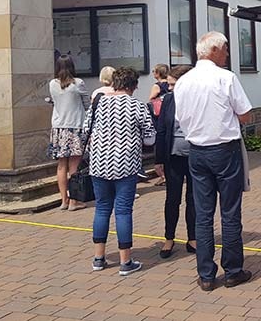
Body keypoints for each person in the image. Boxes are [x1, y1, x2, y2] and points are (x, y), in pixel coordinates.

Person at [173, 32, 253, 291]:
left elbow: (180, 117)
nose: (227, 54)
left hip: (196, 150)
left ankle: (206, 274)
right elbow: (245, 114)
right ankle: (233, 270)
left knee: (203, 214)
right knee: (230, 212)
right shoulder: (225, 77)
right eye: (226, 49)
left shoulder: (184, 81)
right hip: (224, 149)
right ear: (216, 50)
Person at [85, 67, 155, 276]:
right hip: (125, 164)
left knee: (102, 208)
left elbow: (85, 128)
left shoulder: (98, 103)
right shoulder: (137, 105)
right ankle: (125, 261)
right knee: (123, 210)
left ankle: (99, 258)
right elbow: (150, 137)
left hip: (99, 163)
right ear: (133, 85)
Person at [154, 65, 197, 259]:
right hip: (173, 157)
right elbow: (161, 129)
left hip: (196, 156)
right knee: (172, 198)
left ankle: (193, 238)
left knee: (194, 198)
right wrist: (159, 159)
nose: (169, 88)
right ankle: (169, 238)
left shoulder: (198, 98)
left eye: (172, 84)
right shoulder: (169, 100)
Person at [48, 55, 90, 211]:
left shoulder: (52, 84)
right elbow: (87, 104)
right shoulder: (78, 83)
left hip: (58, 128)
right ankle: (74, 200)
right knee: (74, 166)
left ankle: (64, 200)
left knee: (61, 166)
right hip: (75, 126)